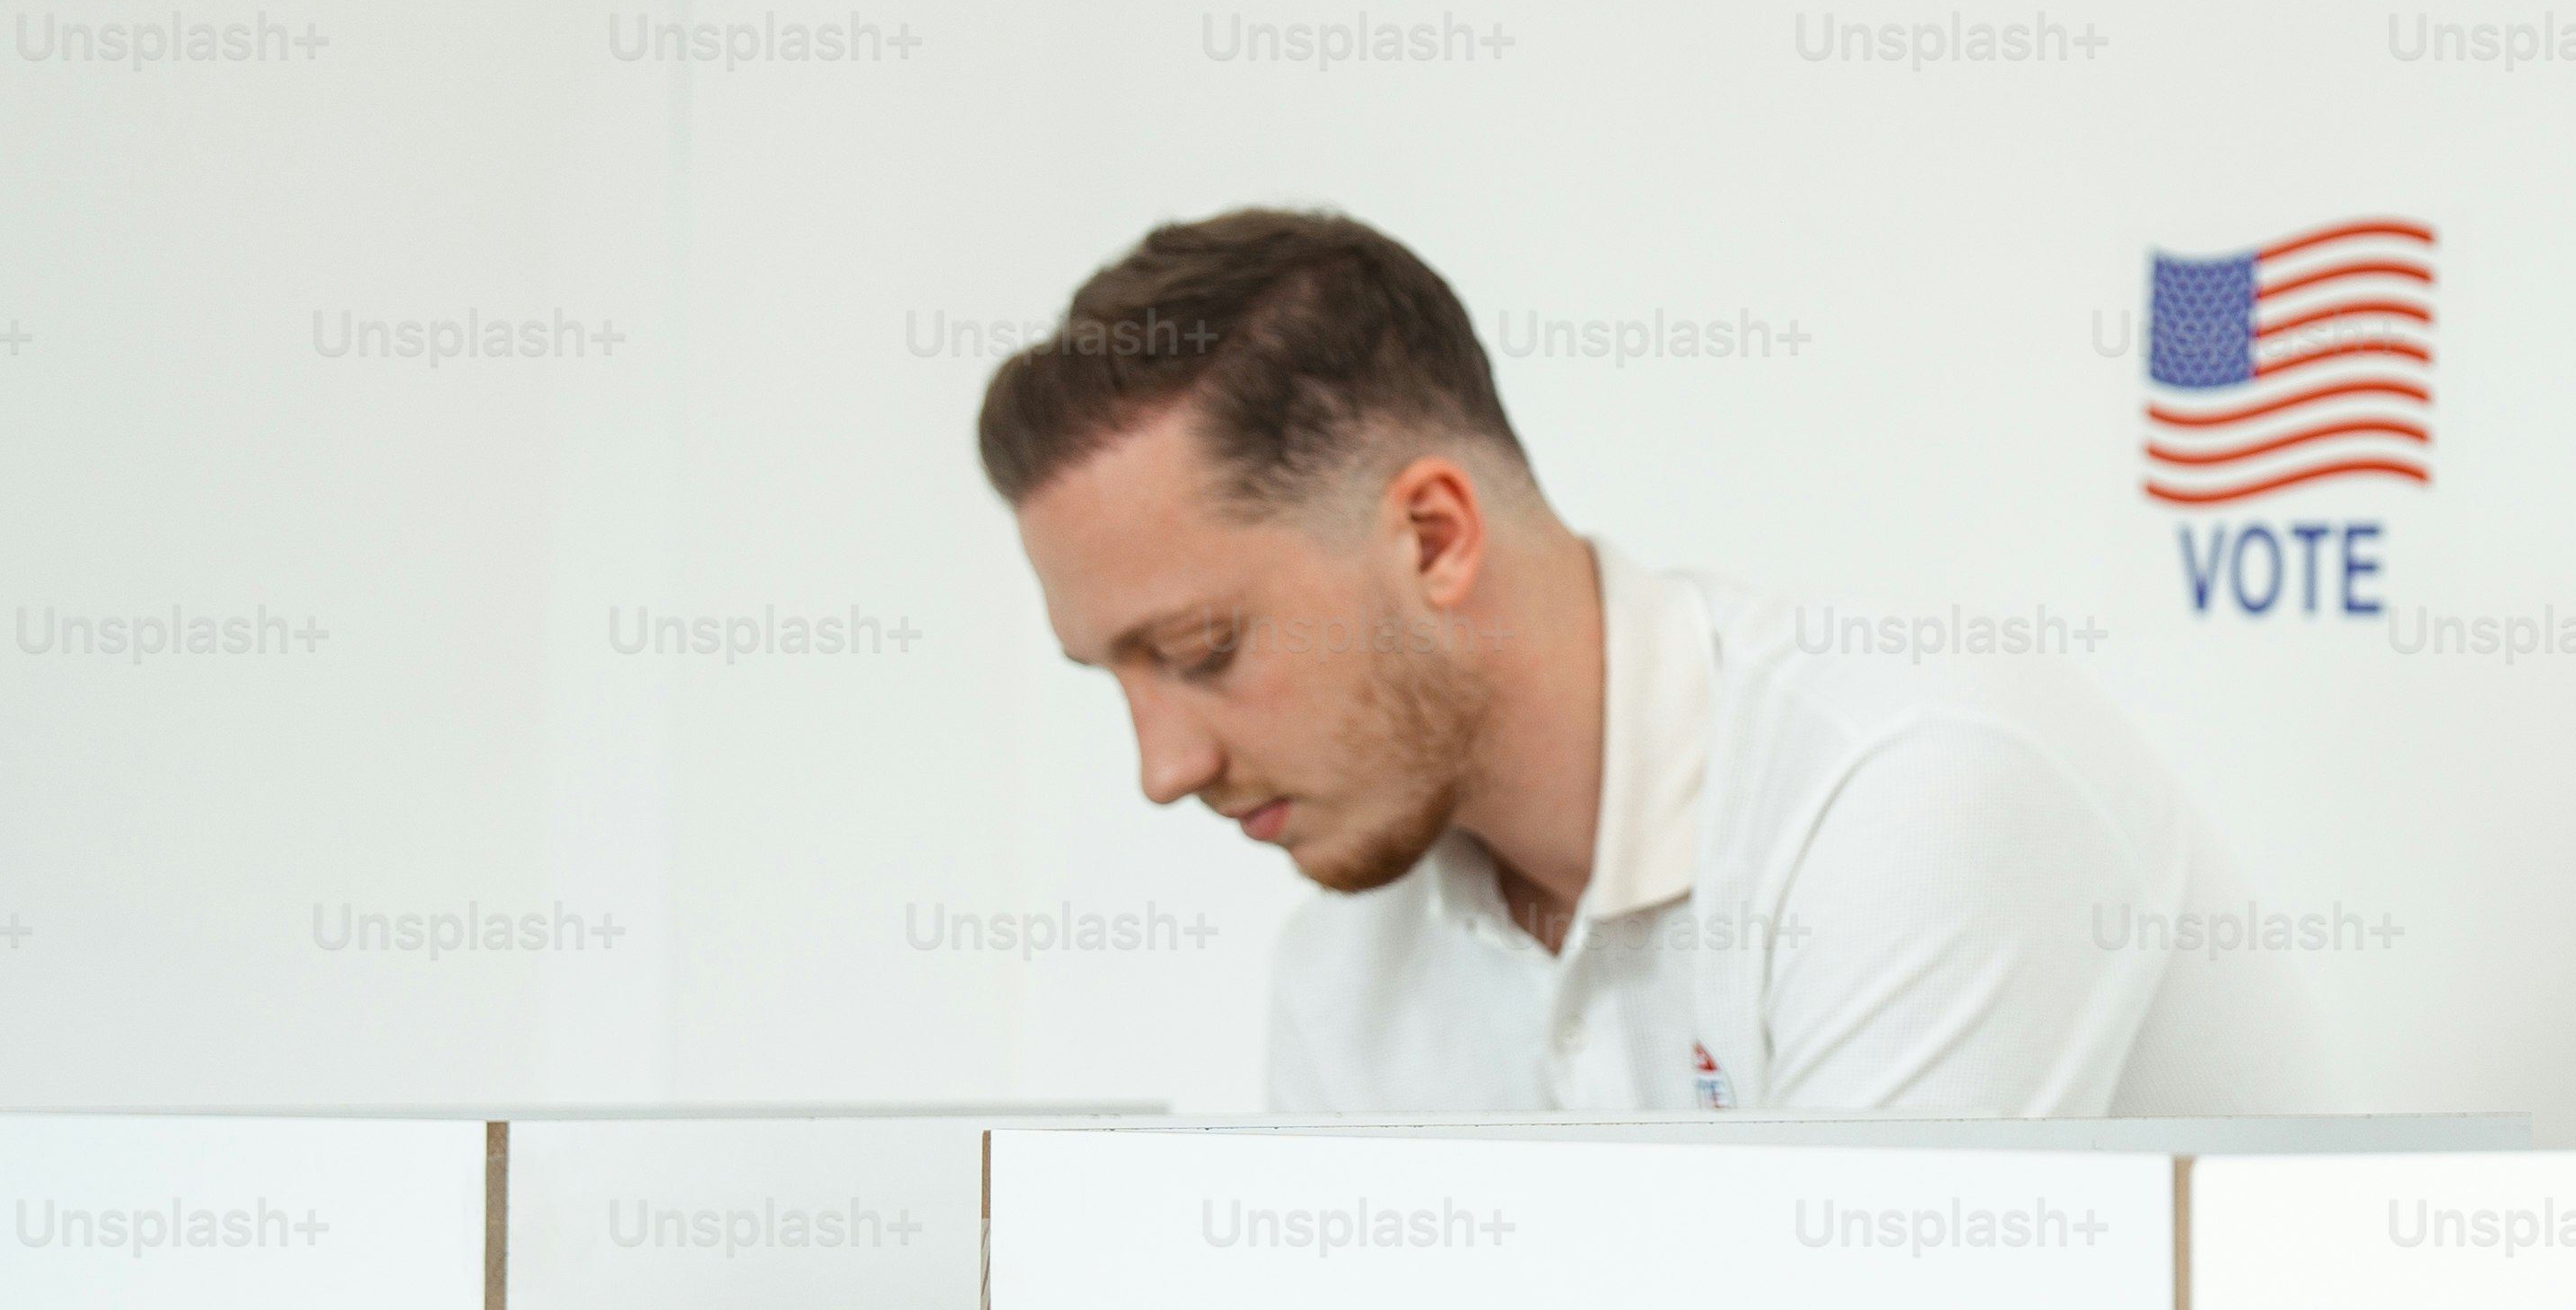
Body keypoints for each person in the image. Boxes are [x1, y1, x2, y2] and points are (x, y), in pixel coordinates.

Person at [976, 206, 2305, 1117]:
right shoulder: (1344, 971)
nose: (1164, 767)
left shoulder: (1910, 791)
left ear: (1433, 536)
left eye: (1203, 649)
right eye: (1113, 676)